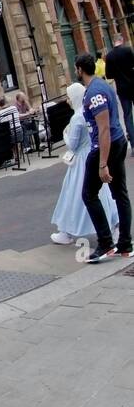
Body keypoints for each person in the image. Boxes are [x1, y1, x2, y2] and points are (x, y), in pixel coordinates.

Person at [75, 53, 133, 262]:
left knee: (89, 194)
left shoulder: (94, 93)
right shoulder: (102, 86)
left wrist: (102, 164)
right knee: (120, 194)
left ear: (80, 69)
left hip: (105, 147)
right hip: (117, 143)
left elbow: (104, 129)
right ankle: (125, 244)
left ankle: (106, 242)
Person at [51, 81, 119, 245]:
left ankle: (66, 231)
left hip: (81, 160)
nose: (67, 100)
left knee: (72, 194)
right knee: (103, 192)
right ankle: (114, 226)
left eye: (68, 97)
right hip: (92, 154)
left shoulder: (76, 117)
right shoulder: (87, 111)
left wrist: (65, 133)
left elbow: (72, 144)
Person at [102, 37, 134, 139]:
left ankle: (133, 144)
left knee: (127, 115)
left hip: (122, 89)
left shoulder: (109, 56)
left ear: (113, 42)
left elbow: (108, 75)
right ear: (121, 40)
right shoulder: (128, 50)